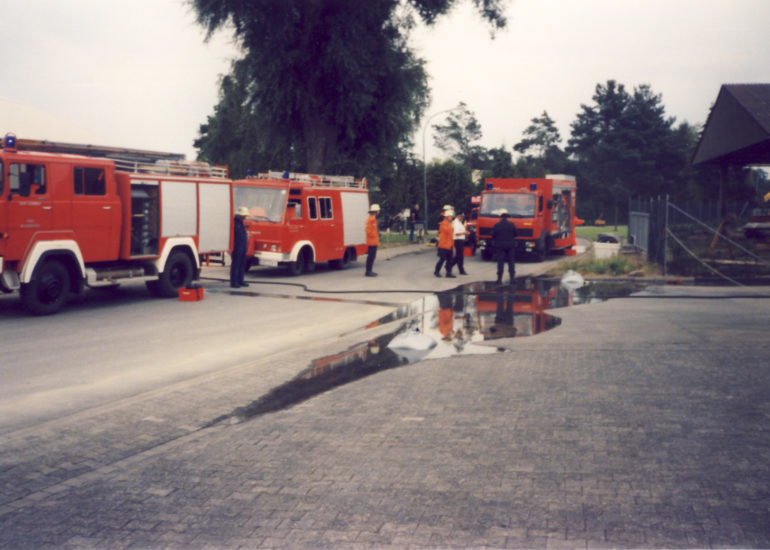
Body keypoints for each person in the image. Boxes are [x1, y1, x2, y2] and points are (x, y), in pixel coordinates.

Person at [491, 209, 517, 285]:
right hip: (510, 246)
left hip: (500, 246)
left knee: (500, 262)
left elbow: (493, 235)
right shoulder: (512, 225)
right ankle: (512, 279)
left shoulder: (497, 225)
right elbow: (516, 234)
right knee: (511, 262)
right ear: (507, 217)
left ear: (500, 217)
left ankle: (499, 279)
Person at [230, 206, 250, 288]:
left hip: (242, 246)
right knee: (236, 264)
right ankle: (234, 282)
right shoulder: (235, 223)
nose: (245, 217)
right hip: (237, 247)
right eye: (244, 216)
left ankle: (240, 280)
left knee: (242, 264)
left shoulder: (240, 222)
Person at [434, 208, 455, 278]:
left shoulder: (449, 224)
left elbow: (451, 236)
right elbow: (447, 231)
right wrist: (451, 226)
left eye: (452, 216)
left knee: (450, 260)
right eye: (451, 216)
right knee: (442, 259)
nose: (452, 218)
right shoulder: (443, 224)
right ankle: (436, 271)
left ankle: (448, 273)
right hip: (443, 245)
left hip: (449, 245)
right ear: (447, 217)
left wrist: (453, 245)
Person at [365, 204, 380, 277]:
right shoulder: (372, 219)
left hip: (373, 241)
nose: (379, 212)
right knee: (371, 256)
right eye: (378, 210)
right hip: (372, 241)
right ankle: (368, 271)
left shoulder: (372, 218)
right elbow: (368, 230)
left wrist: (377, 234)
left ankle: (369, 271)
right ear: (376, 211)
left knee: (371, 256)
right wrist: (375, 235)